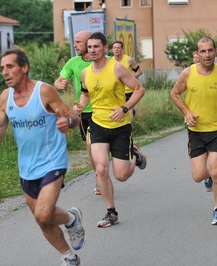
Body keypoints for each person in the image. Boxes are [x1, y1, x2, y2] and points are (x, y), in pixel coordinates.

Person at [0, 49, 85, 266]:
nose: (5, 72)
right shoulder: (5, 97)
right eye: (2, 68)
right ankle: (70, 256)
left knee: (42, 214)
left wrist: (67, 123)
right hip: (26, 168)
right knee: (43, 221)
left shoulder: (44, 91)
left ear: (24, 68)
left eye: (10, 67)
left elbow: (73, 117)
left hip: (52, 161)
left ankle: (71, 220)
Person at [75, 32, 147, 228]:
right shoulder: (85, 73)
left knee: (122, 175)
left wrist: (124, 108)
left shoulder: (117, 69)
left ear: (105, 48)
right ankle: (111, 212)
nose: (92, 50)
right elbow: (85, 95)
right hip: (97, 125)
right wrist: (80, 106)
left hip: (120, 127)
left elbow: (139, 90)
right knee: (101, 168)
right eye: (89, 47)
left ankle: (136, 156)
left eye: (96, 47)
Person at [170, 36, 217, 225]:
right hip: (196, 130)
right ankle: (208, 178)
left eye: (210, 50)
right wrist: (187, 112)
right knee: (199, 176)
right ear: (197, 54)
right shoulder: (188, 73)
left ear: (215, 52)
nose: (207, 55)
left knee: (216, 171)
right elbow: (174, 93)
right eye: (203, 51)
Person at [54, 30, 102, 196]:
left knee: (97, 145)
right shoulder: (73, 62)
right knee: (90, 147)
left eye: (77, 42)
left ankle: (129, 149)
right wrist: (59, 85)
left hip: (103, 110)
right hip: (83, 112)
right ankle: (99, 176)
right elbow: (58, 81)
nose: (74, 45)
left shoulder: (107, 61)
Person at [112, 40, 143, 120]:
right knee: (118, 112)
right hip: (117, 91)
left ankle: (130, 128)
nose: (116, 50)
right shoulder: (110, 61)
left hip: (129, 90)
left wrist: (128, 78)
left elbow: (139, 71)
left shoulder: (129, 60)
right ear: (112, 50)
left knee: (128, 111)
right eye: (114, 48)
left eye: (118, 48)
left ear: (122, 49)